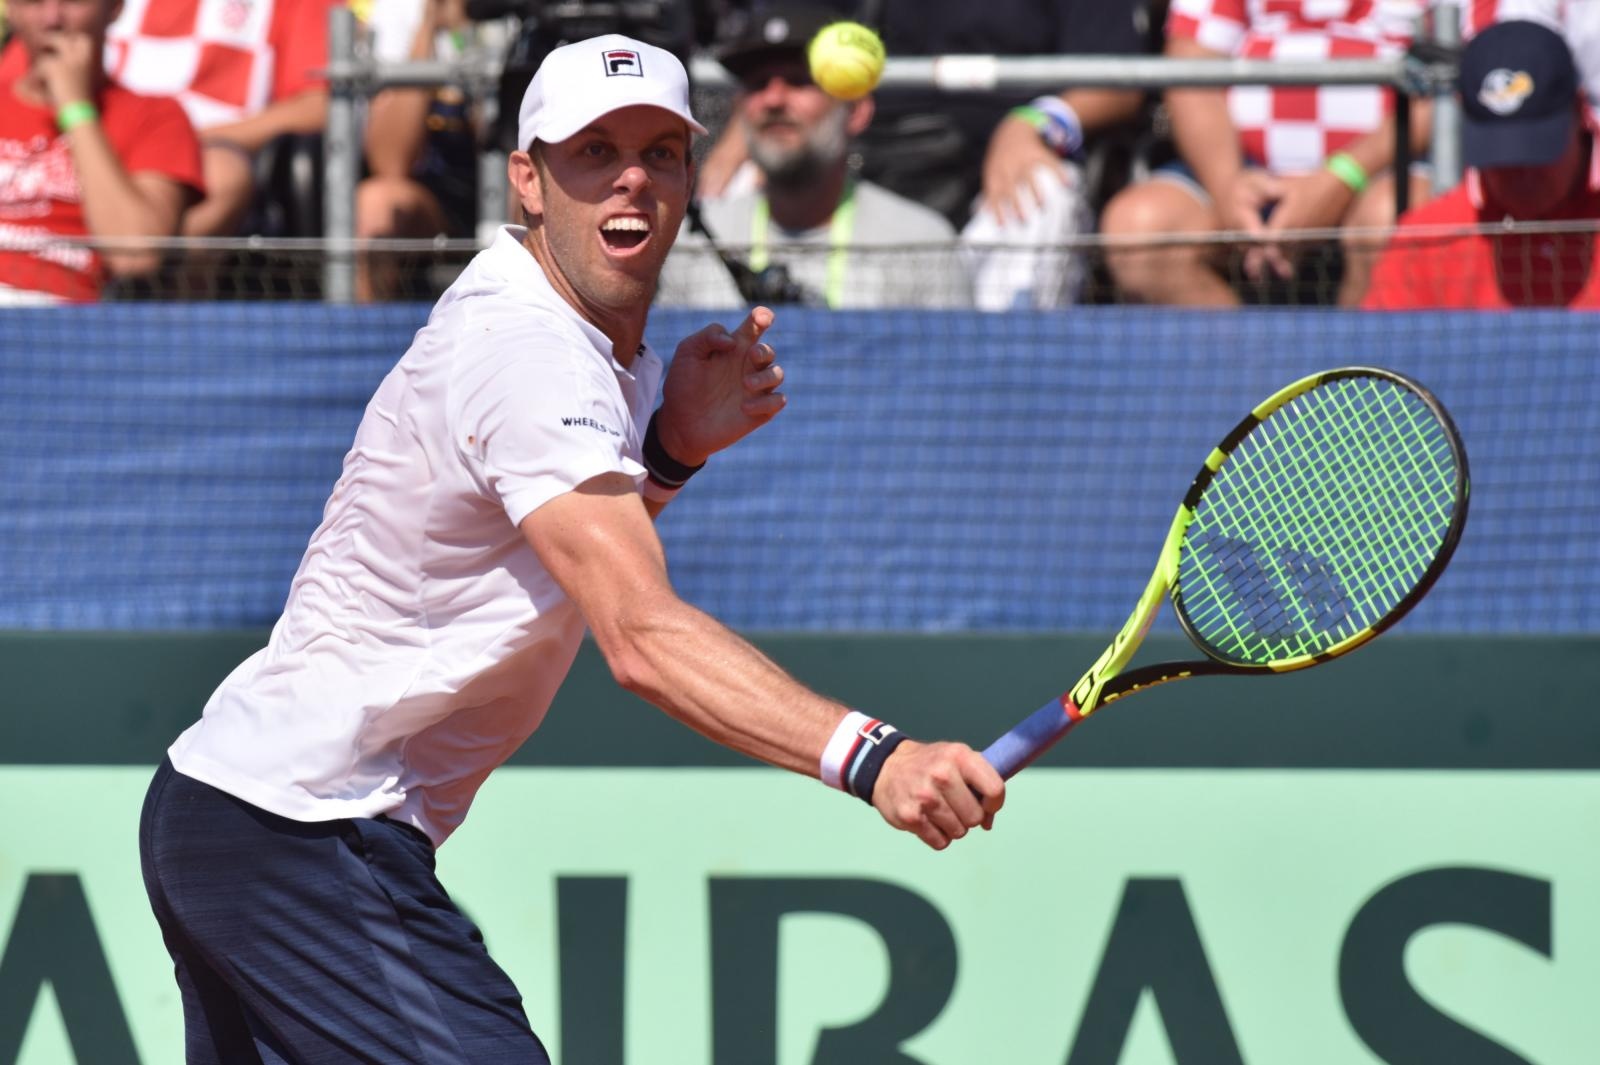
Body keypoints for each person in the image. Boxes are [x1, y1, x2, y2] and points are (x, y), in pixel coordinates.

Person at [138, 33, 1005, 1062]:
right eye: (591, 151)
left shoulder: (592, 341)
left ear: (689, 177)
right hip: (300, 826)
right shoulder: (530, 351)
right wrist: (877, 761)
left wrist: (670, 451)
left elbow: (541, 565)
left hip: (239, 814)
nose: (629, 175)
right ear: (529, 180)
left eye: (658, 151)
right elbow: (636, 635)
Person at [695, 0, 1157, 309]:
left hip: (1001, 171)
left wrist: (1033, 122)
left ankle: (1001, 392)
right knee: (728, 188)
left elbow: (1118, 82)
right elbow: (788, 36)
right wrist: (747, 128)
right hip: (856, 157)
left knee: (1045, 195)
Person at [1100, 0, 1433, 307]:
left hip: (1385, 167)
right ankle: (1253, 366)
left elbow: (1455, 75)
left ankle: (1348, 370)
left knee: (1394, 221)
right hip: (1242, 169)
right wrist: (1228, 186)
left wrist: (1341, 177)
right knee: (1139, 233)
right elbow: (1191, 68)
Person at [658, 2, 970, 308]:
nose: (774, 99)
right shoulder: (693, 244)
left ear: (856, 112)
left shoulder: (924, 244)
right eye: (758, 83)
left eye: (799, 81)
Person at [1364, 19, 1600, 309]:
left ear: (1579, 113)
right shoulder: (1425, 242)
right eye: (1501, 159)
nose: (1521, 176)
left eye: (1537, 154)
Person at [0, 0, 202, 303]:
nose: (53, 19)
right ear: (12, 11)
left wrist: (76, 108)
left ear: (115, 8)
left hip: (62, 321)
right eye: (34, 2)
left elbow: (135, 255)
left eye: (73, 2)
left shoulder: (156, 116)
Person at [103, 0, 332, 237]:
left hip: (212, 151)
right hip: (101, 138)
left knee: (223, 174)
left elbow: (317, 107)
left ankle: (149, 268)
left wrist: (172, 144)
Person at [356, 0, 481, 301]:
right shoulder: (396, 11)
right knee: (376, 204)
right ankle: (364, 342)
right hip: (433, 201)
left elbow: (503, 138)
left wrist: (467, 36)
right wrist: (428, 29)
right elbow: (390, 161)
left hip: (511, 184)